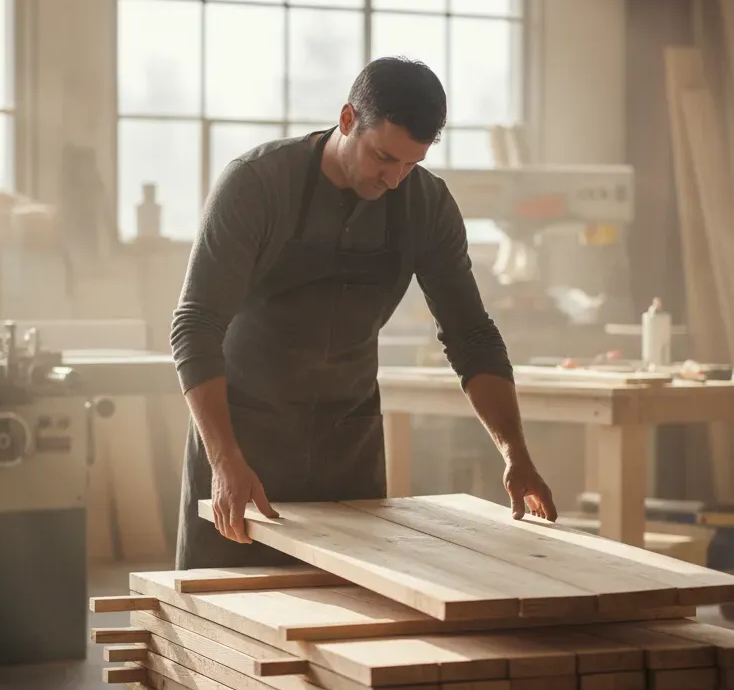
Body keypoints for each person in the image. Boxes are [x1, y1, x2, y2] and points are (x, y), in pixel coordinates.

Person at [172, 57, 555, 569]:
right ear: (348, 119)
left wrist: (515, 453)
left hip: (346, 451)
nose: (394, 179)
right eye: (383, 158)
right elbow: (195, 326)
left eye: (410, 165)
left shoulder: (426, 205)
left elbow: (472, 337)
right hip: (244, 445)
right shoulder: (257, 185)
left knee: (348, 625)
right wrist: (223, 460)